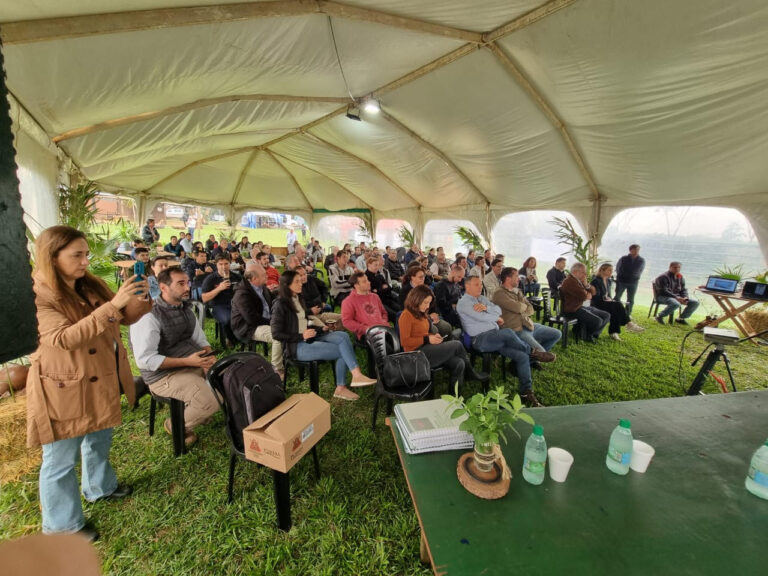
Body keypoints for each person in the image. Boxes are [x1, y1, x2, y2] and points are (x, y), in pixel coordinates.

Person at [29, 226, 151, 541]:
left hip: (99, 378)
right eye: (77, 255)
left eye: (86, 254)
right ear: (52, 258)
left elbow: (123, 318)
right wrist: (114, 306)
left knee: (98, 438)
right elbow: (62, 338)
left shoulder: (87, 285)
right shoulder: (39, 294)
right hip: (63, 387)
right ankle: (62, 527)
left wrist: (139, 297)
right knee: (59, 459)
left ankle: (99, 486)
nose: (85, 261)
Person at [130, 267, 219, 447]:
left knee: (225, 384)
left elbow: (200, 339)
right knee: (210, 401)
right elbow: (145, 360)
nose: (187, 287)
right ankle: (174, 424)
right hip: (161, 377)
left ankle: (195, 411)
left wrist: (208, 359)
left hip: (190, 364)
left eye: (187, 283)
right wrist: (189, 361)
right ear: (163, 287)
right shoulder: (149, 316)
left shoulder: (185, 308)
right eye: (180, 284)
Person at [270, 270, 376, 401]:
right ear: (287, 285)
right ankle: (342, 386)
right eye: (296, 281)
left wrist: (322, 329)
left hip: (309, 337)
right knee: (342, 351)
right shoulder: (280, 304)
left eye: (300, 280)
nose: (301, 283)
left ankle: (356, 375)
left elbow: (303, 322)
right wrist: (301, 336)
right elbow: (276, 334)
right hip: (296, 346)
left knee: (343, 336)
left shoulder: (298, 298)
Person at [457, 277, 551, 407]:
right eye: (476, 284)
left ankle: (526, 392)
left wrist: (486, 308)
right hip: (480, 339)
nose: (480, 287)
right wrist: (496, 318)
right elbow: (481, 317)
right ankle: (533, 352)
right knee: (507, 332)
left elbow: (498, 309)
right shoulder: (463, 303)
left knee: (522, 356)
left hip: (496, 338)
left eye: (481, 284)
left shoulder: (482, 299)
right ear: (467, 287)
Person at [398, 285, 487, 389]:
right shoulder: (406, 315)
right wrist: (427, 339)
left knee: (459, 363)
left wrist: (433, 336)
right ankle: (470, 373)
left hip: (426, 349)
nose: (428, 306)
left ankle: (455, 397)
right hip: (415, 355)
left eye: (429, 303)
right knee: (457, 344)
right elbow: (405, 342)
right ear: (416, 300)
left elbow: (421, 334)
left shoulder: (422, 314)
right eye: (425, 302)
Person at [231, 263, 283, 377]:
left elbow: (273, 300)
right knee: (278, 335)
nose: (267, 276)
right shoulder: (242, 294)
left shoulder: (260, 286)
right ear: (254, 278)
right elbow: (252, 319)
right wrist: (273, 322)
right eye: (264, 275)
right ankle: (276, 371)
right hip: (247, 327)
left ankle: (288, 356)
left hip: (263, 321)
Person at [493, 267, 562, 354]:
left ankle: (531, 359)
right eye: (516, 276)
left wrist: (521, 307)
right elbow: (518, 308)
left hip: (528, 324)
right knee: (542, 352)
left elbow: (531, 308)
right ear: (508, 278)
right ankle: (531, 358)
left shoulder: (517, 291)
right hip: (516, 329)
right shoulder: (499, 293)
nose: (519, 279)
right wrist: (522, 306)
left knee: (557, 334)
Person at [590, 263, 644, 340]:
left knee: (615, 309)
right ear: (602, 270)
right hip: (598, 303)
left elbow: (609, 295)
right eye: (609, 270)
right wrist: (606, 299)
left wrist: (610, 300)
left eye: (612, 270)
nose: (611, 272)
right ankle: (629, 324)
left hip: (606, 303)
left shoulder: (608, 281)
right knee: (617, 305)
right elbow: (595, 296)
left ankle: (614, 333)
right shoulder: (596, 281)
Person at [559, 263, 610, 342]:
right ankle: (584, 335)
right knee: (598, 321)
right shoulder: (570, 281)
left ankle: (590, 334)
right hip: (572, 309)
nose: (585, 274)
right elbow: (585, 296)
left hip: (580, 306)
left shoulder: (578, 280)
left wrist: (586, 285)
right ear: (576, 272)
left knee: (606, 315)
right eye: (583, 272)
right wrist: (587, 294)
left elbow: (593, 292)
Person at [201, 255, 242, 345]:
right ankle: (230, 339)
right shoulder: (210, 279)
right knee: (228, 319)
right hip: (218, 305)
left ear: (230, 263)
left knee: (248, 315)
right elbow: (204, 298)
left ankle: (244, 337)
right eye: (221, 264)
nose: (224, 267)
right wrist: (219, 288)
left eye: (226, 264)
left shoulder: (236, 277)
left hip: (236, 304)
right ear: (216, 265)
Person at [341, 272, 390, 341]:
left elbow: (383, 312)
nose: (369, 282)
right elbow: (347, 321)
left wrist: (384, 322)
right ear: (356, 285)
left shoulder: (375, 296)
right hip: (366, 333)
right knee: (386, 349)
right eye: (364, 281)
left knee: (399, 344)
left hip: (382, 328)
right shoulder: (348, 301)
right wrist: (365, 328)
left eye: (367, 280)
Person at [365, 256, 401, 320]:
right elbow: (372, 293)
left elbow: (389, 287)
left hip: (387, 298)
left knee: (401, 309)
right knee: (394, 315)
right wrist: (383, 289)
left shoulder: (379, 275)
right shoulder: (365, 277)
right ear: (369, 265)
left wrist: (379, 290)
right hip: (377, 302)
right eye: (375, 265)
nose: (377, 267)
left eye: (378, 265)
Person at [614, 244, 645, 317]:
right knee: (617, 297)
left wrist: (636, 277)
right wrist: (620, 276)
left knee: (630, 298)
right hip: (622, 281)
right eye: (635, 249)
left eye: (638, 250)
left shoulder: (641, 260)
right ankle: (615, 311)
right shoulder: (624, 258)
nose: (636, 251)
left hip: (633, 282)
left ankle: (627, 313)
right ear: (630, 250)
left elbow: (641, 270)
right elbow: (618, 268)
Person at [433, 264, 463, 328]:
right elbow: (441, 304)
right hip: (446, 313)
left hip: (457, 309)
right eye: (459, 277)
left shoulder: (456, 284)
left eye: (461, 277)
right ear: (452, 273)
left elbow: (459, 297)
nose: (460, 280)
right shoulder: (441, 285)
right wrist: (454, 305)